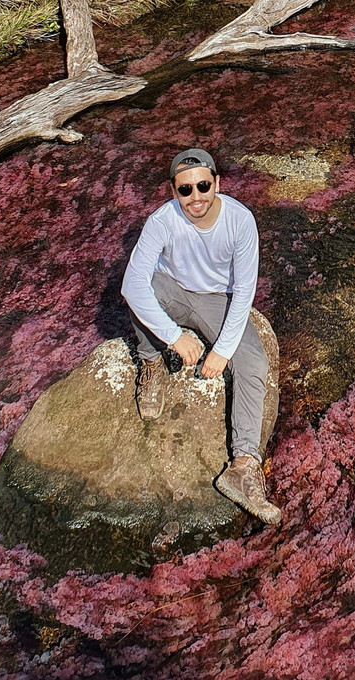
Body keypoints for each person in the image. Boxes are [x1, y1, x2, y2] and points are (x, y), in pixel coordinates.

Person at [121, 148, 281, 526]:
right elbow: (132, 284)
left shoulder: (240, 221)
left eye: (203, 186)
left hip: (217, 300)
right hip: (173, 290)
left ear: (218, 184)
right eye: (185, 190)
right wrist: (174, 338)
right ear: (174, 191)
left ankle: (242, 466)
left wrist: (223, 350)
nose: (196, 198)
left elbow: (244, 291)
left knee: (252, 362)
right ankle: (150, 361)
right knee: (143, 291)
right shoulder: (161, 221)